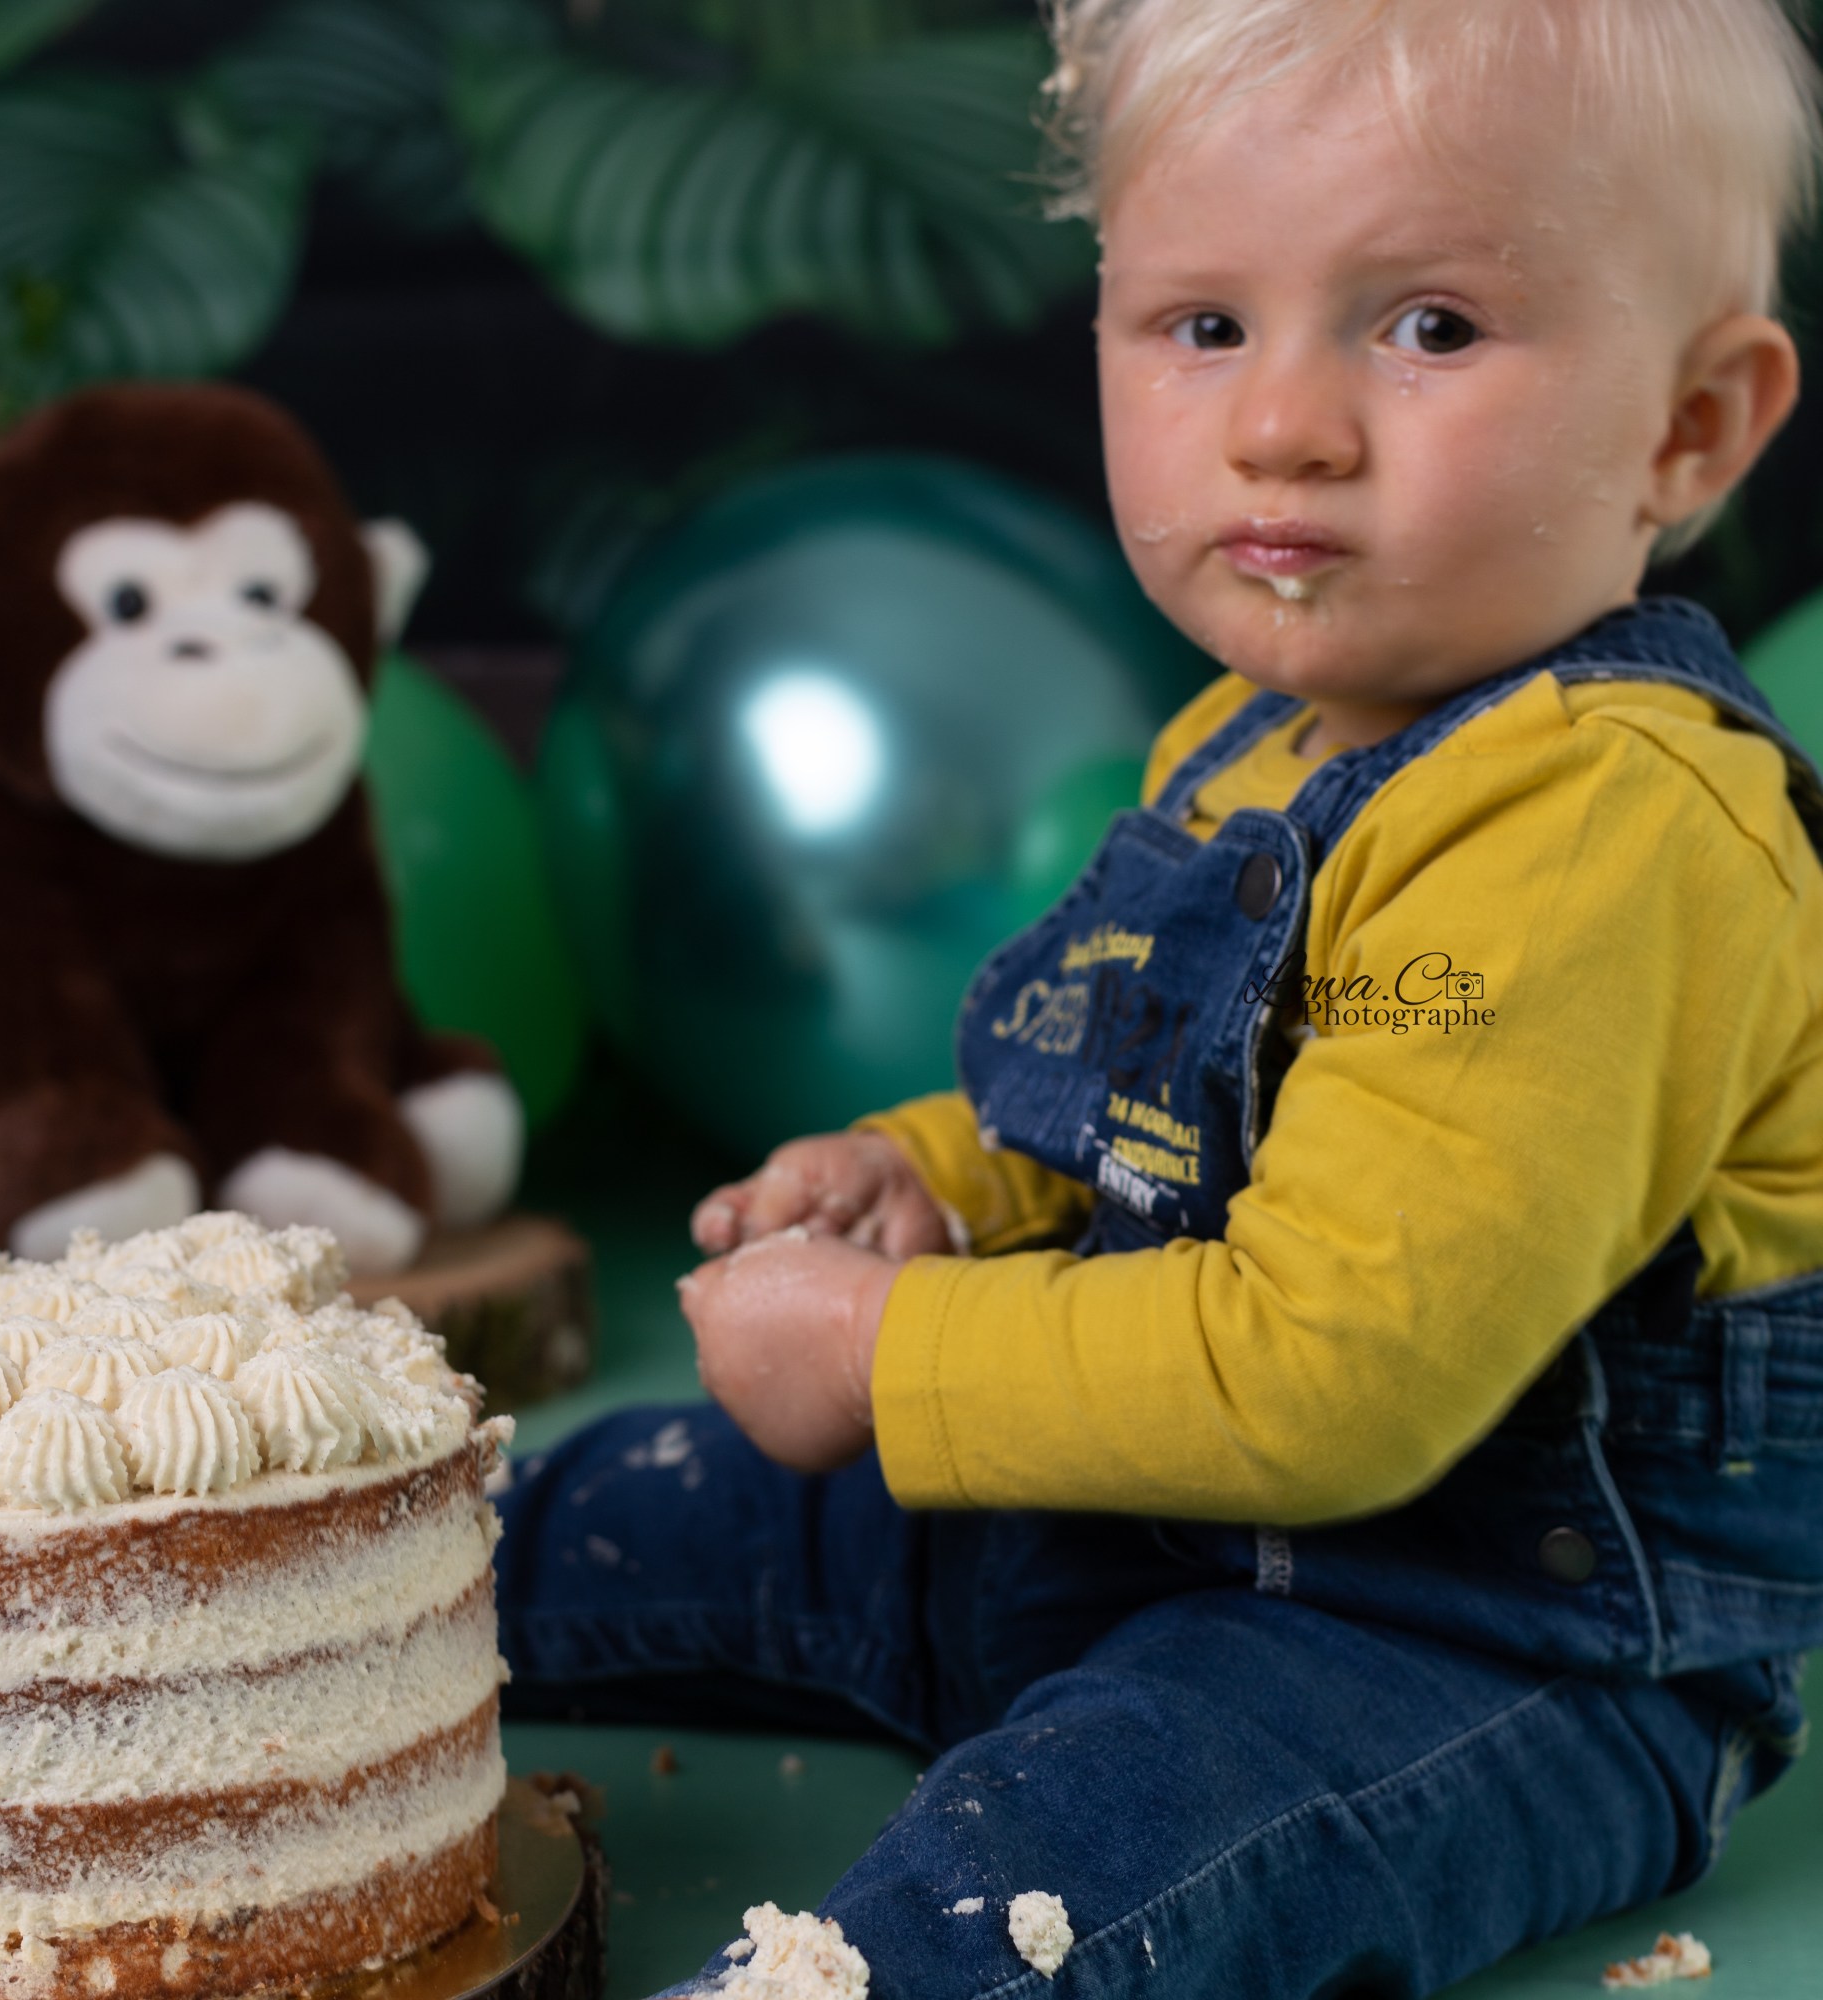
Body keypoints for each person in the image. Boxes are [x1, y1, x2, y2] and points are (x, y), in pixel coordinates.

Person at [496, 2, 1823, 1991]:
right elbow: (1133, 1094)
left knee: (1072, 1858)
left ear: (1691, 424)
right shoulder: (1249, 741)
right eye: (1204, 323)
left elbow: (1329, 1370)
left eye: (1430, 326)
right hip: (1121, 1521)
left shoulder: (1604, 837)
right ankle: (210, 1620)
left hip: (1472, 1650)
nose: (1281, 423)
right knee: (615, 1520)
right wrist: (936, 1182)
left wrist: (881, 1347)